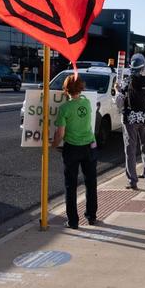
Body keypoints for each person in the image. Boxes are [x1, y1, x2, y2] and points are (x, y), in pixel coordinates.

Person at [51, 75, 98, 229]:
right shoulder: (86, 102)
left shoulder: (64, 108)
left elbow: (60, 134)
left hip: (72, 148)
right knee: (91, 183)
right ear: (81, 87)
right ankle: (91, 216)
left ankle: (73, 221)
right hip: (89, 146)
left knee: (71, 185)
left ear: (66, 90)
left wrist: (53, 145)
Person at [114, 53, 145, 189]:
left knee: (130, 151)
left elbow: (119, 103)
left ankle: (132, 181)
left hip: (129, 120)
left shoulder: (125, 82)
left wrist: (117, 91)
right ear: (143, 67)